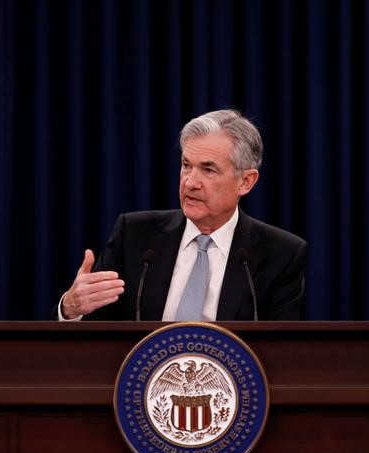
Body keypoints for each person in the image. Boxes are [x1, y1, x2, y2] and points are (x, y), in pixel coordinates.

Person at [56, 109, 306, 321]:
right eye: (186, 165)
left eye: (208, 169)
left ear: (246, 182)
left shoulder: (281, 254)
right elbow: (93, 331)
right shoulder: (134, 235)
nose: (190, 182)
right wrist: (70, 308)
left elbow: (282, 353)